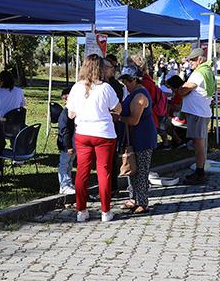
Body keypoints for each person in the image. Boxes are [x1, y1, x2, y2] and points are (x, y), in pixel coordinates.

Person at [67, 54, 122, 222]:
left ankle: (81, 211)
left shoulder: (76, 87)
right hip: (104, 134)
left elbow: (70, 114)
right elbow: (118, 109)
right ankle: (105, 211)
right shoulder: (106, 88)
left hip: (83, 133)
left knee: (82, 172)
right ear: (100, 68)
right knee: (104, 172)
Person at [118, 66, 157, 214]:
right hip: (133, 138)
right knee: (132, 168)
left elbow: (134, 120)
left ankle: (143, 202)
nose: (125, 85)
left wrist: (119, 118)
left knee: (141, 171)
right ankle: (133, 198)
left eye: (127, 81)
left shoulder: (140, 96)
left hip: (143, 138)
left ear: (135, 80)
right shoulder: (132, 93)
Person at [179, 48, 214, 185]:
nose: (191, 62)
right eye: (189, 60)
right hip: (202, 111)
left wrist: (179, 88)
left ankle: (200, 173)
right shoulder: (207, 70)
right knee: (201, 143)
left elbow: (183, 90)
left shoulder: (198, 73)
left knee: (198, 144)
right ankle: (201, 170)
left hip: (197, 113)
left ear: (200, 59)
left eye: (193, 60)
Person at [104, 54, 125, 198]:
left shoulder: (113, 86)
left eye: (112, 67)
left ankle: (111, 188)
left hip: (109, 127)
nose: (112, 70)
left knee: (108, 161)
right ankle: (111, 188)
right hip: (104, 128)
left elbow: (117, 109)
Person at [57, 86, 76, 195]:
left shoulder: (72, 112)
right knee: (64, 164)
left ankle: (68, 183)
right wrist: (68, 146)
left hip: (72, 143)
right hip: (66, 144)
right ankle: (64, 184)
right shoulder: (65, 114)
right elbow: (64, 131)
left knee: (69, 164)